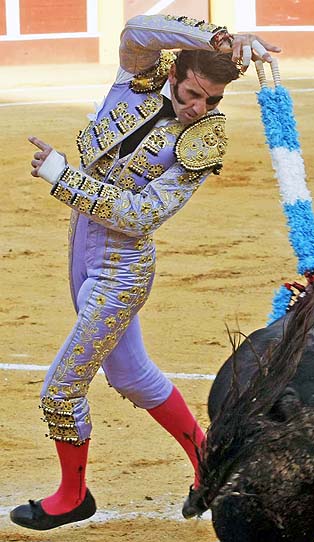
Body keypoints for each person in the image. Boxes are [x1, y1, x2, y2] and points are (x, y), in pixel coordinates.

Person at [9, 13, 280, 531]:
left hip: (121, 272)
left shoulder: (201, 142)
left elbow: (142, 215)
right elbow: (137, 30)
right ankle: (210, 463)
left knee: (61, 392)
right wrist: (214, 37)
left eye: (212, 101)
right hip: (82, 252)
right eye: (194, 93)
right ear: (174, 73)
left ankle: (73, 496)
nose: (199, 108)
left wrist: (63, 176)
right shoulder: (135, 81)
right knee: (132, 376)